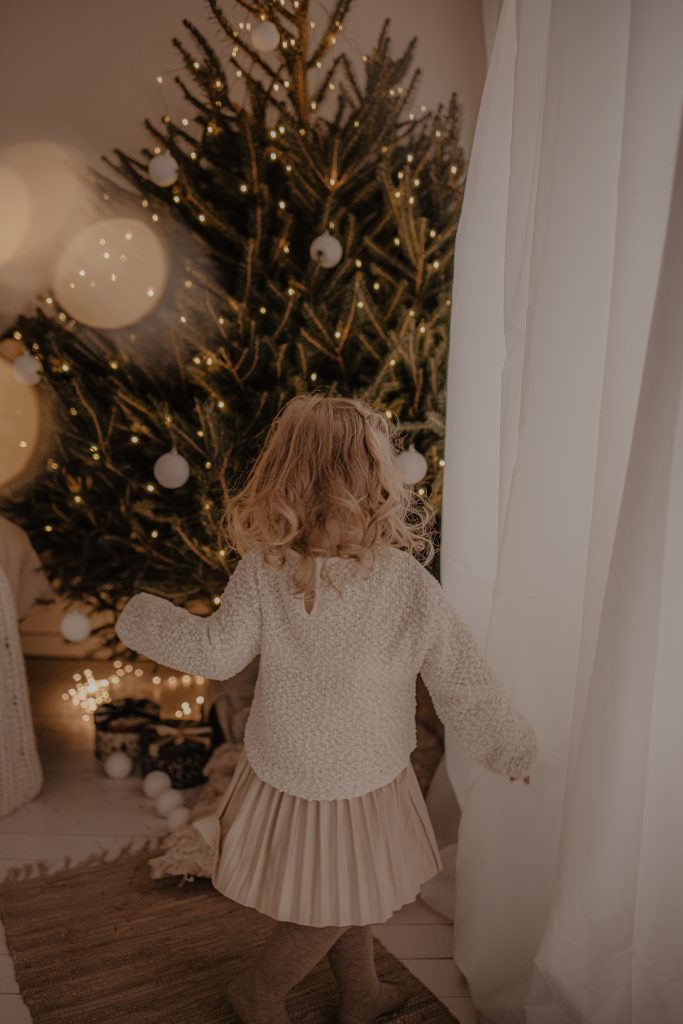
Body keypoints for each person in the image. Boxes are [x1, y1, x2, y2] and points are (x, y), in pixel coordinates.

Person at [115, 391, 539, 1024]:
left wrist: (141, 615)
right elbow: (460, 676)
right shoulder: (396, 580)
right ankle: (259, 991)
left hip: (312, 765)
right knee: (342, 895)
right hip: (354, 770)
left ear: (286, 477)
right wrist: (507, 743)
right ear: (373, 483)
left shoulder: (269, 569)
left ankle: (362, 994)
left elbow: (216, 651)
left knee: (338, 886)